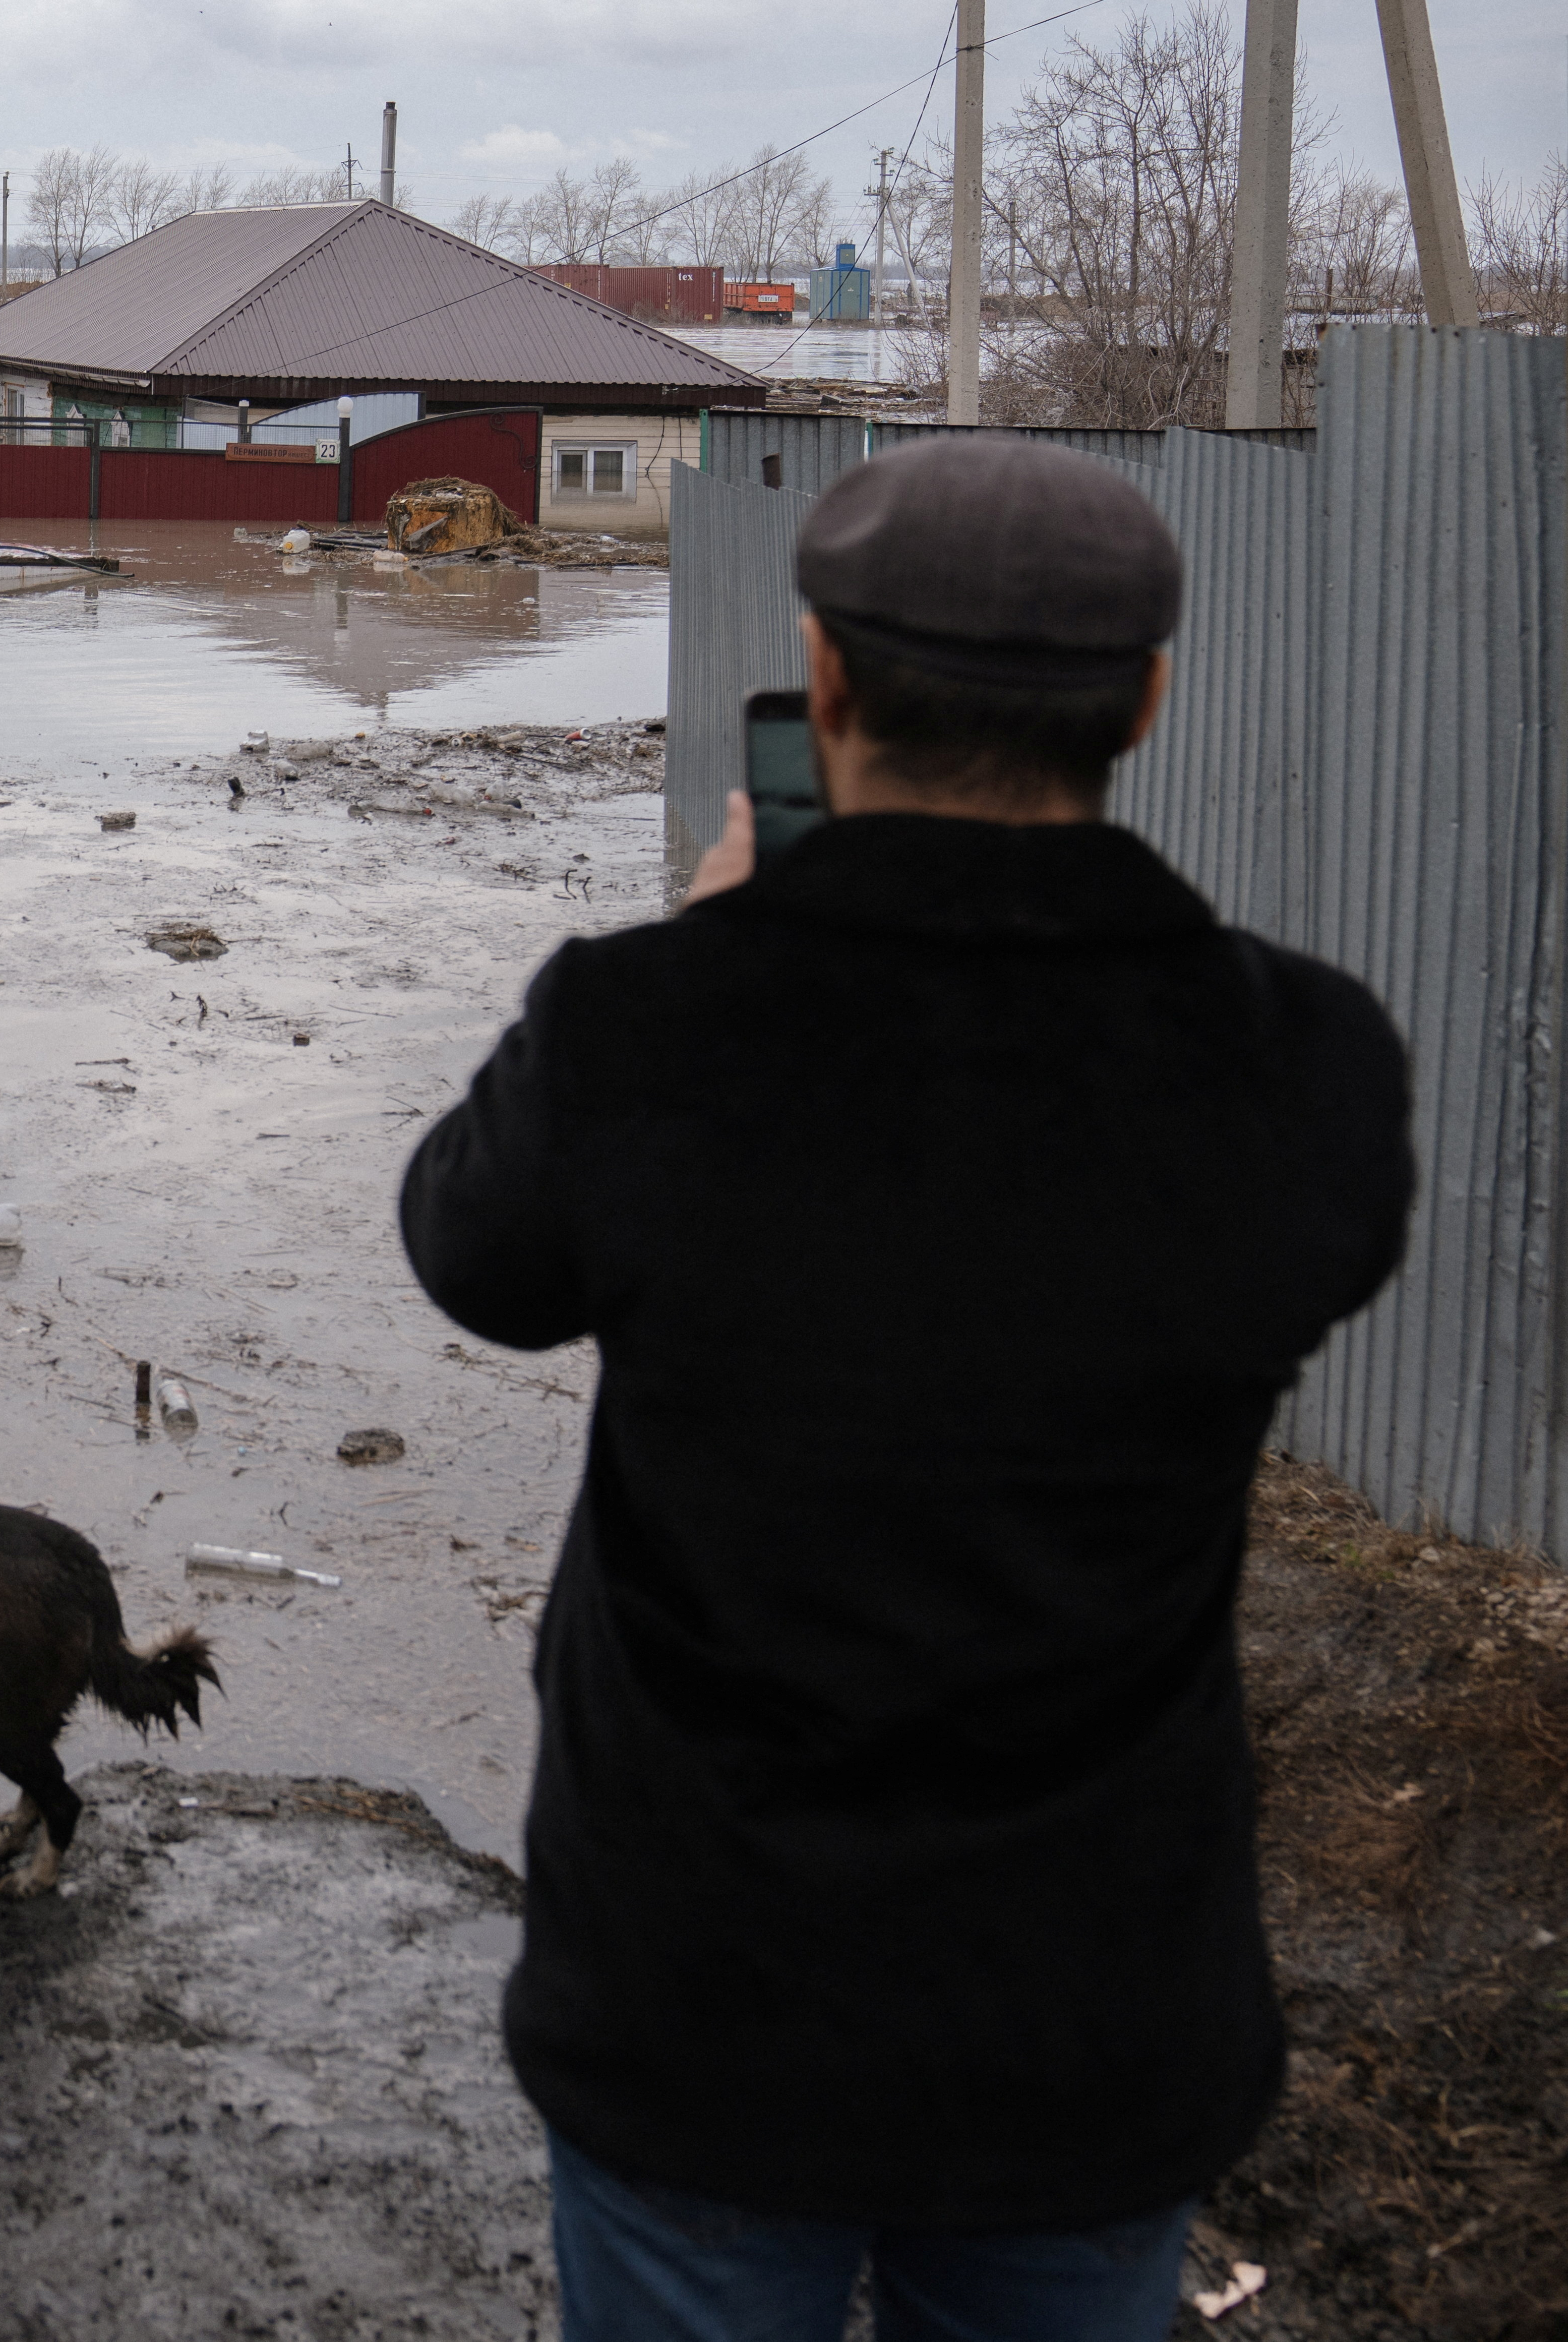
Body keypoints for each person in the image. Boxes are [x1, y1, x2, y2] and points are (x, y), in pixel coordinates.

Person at [399, 437, 1412, 2342]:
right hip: (1093, 2021)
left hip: (696, 2007)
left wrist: (715, 941)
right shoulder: (1306, 1063)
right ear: (1145, 704)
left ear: (827, 684)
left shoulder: (649, 1025)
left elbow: (471, 1258)